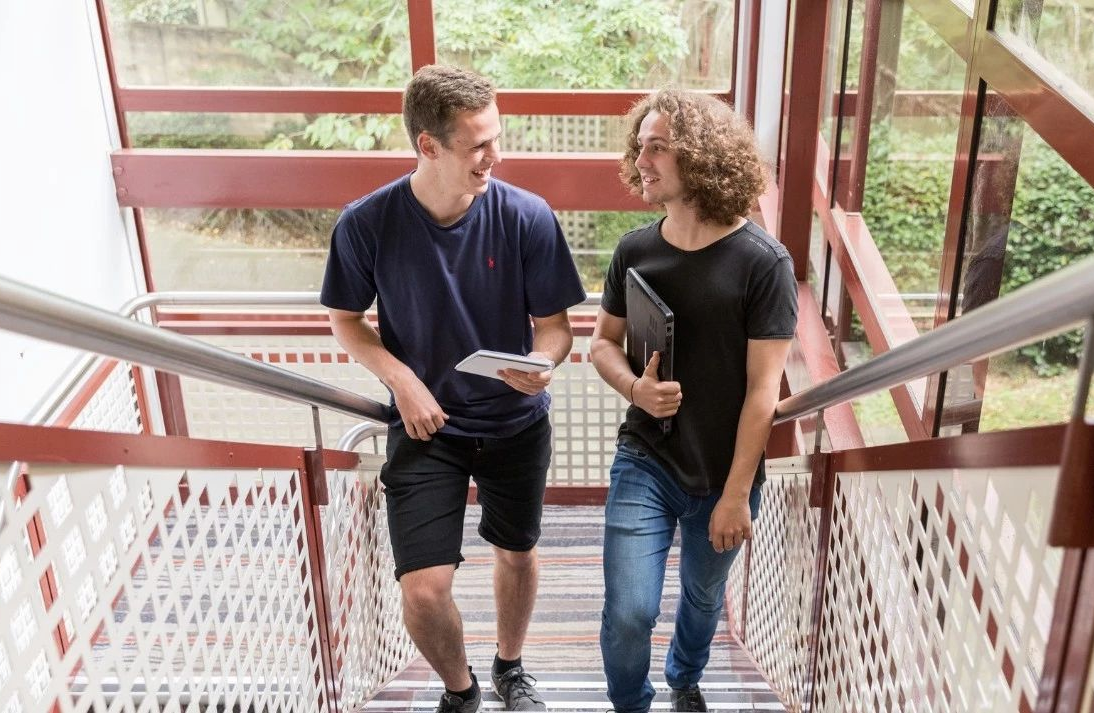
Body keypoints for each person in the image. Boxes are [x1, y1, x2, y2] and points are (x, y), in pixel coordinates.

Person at [321, 64, 586, 713]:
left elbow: (557, 328)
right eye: (479, 144)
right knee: (423, 588)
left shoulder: (526, 216)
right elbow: (346, 322)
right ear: (429, 145)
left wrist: (541, 361)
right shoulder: (366, 223)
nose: (496, 155)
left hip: (515, 420)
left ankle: (511, 668)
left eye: (498, 137)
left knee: (517, 553)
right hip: (426, 425)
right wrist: (401, 378)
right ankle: (461, 690)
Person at [591, 90, 798, 712]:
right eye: (640, 147)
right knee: (630, 611)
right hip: (646, 460)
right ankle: (631, 704)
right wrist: (635, 388)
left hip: (725, 473)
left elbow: (762, 392)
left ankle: (685, 677)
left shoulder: (764, 263)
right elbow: (601, 344)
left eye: (658, 147)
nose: (642, 161)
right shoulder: (635, 250)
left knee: (703, 597)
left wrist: (735, 495)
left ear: (702, 157)